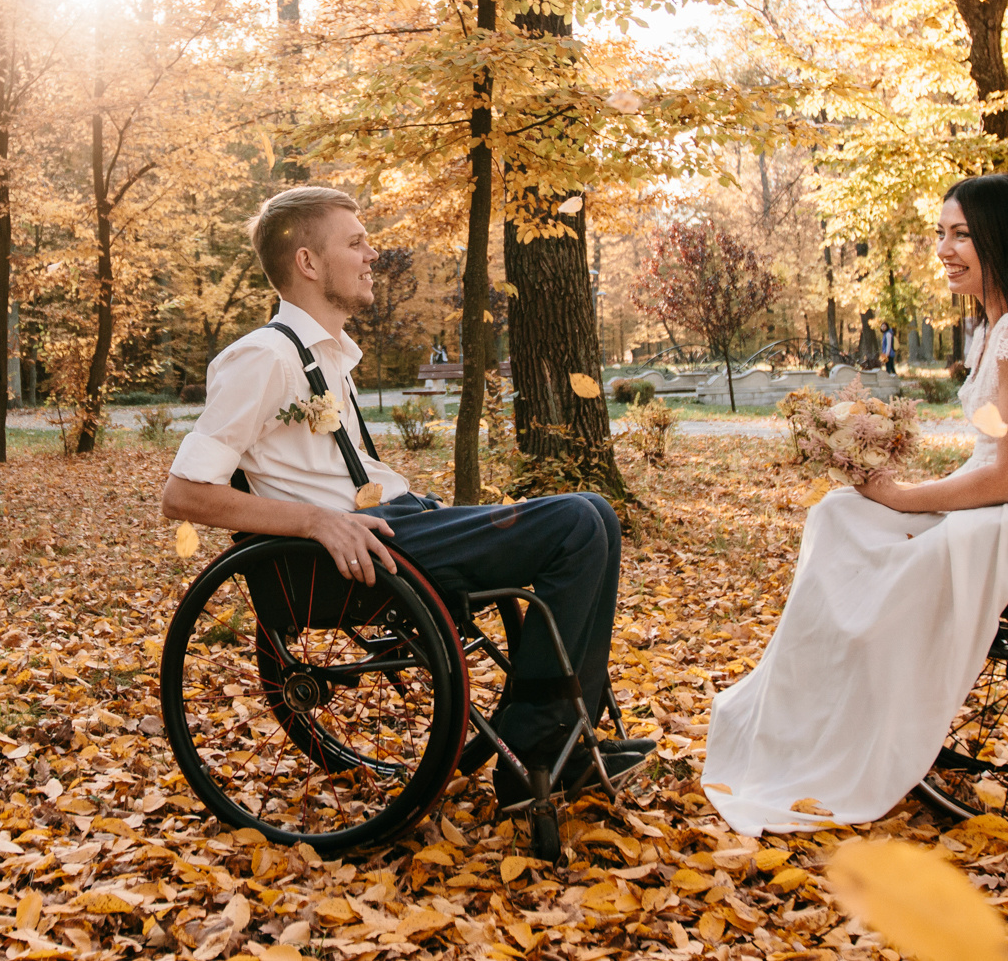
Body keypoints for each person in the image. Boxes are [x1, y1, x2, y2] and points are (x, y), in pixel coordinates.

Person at [163, 185, 654, 807]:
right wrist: (317, 522)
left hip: (395, 524)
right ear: (308, 263)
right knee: (579, 522)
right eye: (356, 242)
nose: (373, 254)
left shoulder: (327, 357)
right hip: (350, 555)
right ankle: (535, 748)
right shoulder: (262, 358)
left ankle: (560, 739)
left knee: (596, 514)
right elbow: (184, 495)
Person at [701, 173, 1008, 834]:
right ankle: (806, 708)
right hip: (995, 499)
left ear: (1006, 237)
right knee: (838, 513)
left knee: (869, 539)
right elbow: (992, 456)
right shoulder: (996, 328)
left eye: (962, 233)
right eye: (941, 232)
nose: (944, 247)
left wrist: (908, 496)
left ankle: (837, 714)